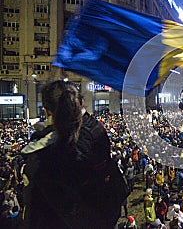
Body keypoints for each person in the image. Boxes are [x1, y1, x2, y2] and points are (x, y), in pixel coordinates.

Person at [21, 80, 126, 228]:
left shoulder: (45, 156)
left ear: (46, 111)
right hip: (106, 212)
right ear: (81, 102)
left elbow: (36, 211)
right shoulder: (96, 129)